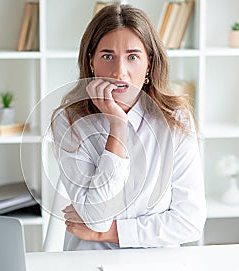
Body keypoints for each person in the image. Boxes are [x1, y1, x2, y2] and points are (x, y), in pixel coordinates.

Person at [50, 4, 206, 250]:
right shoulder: (69, 121)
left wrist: (110, 233)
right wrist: (118, 127)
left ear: (149, 64)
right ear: (91, 62)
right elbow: (96, 218)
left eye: (132, 57)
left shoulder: (175, 119)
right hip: (89, 261)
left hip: (155, 265)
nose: (119, 72)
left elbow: (189, 222)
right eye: (107, 56)